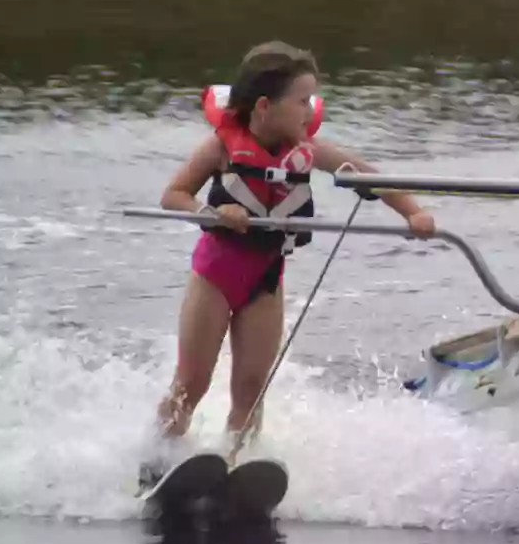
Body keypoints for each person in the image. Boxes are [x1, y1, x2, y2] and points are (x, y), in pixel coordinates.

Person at [145, 40, 435, 483]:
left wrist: (412, 212)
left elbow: (369, 176)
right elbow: (173, 195)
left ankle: (235, 467)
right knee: (193, 383)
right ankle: (156, 462)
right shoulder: (220, 146)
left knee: (251, 388)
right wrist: (213, 212)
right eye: (302, 101)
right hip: (215, 276)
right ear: (265, 106)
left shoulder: (309, 149)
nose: (310, 110)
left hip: (265, 280)